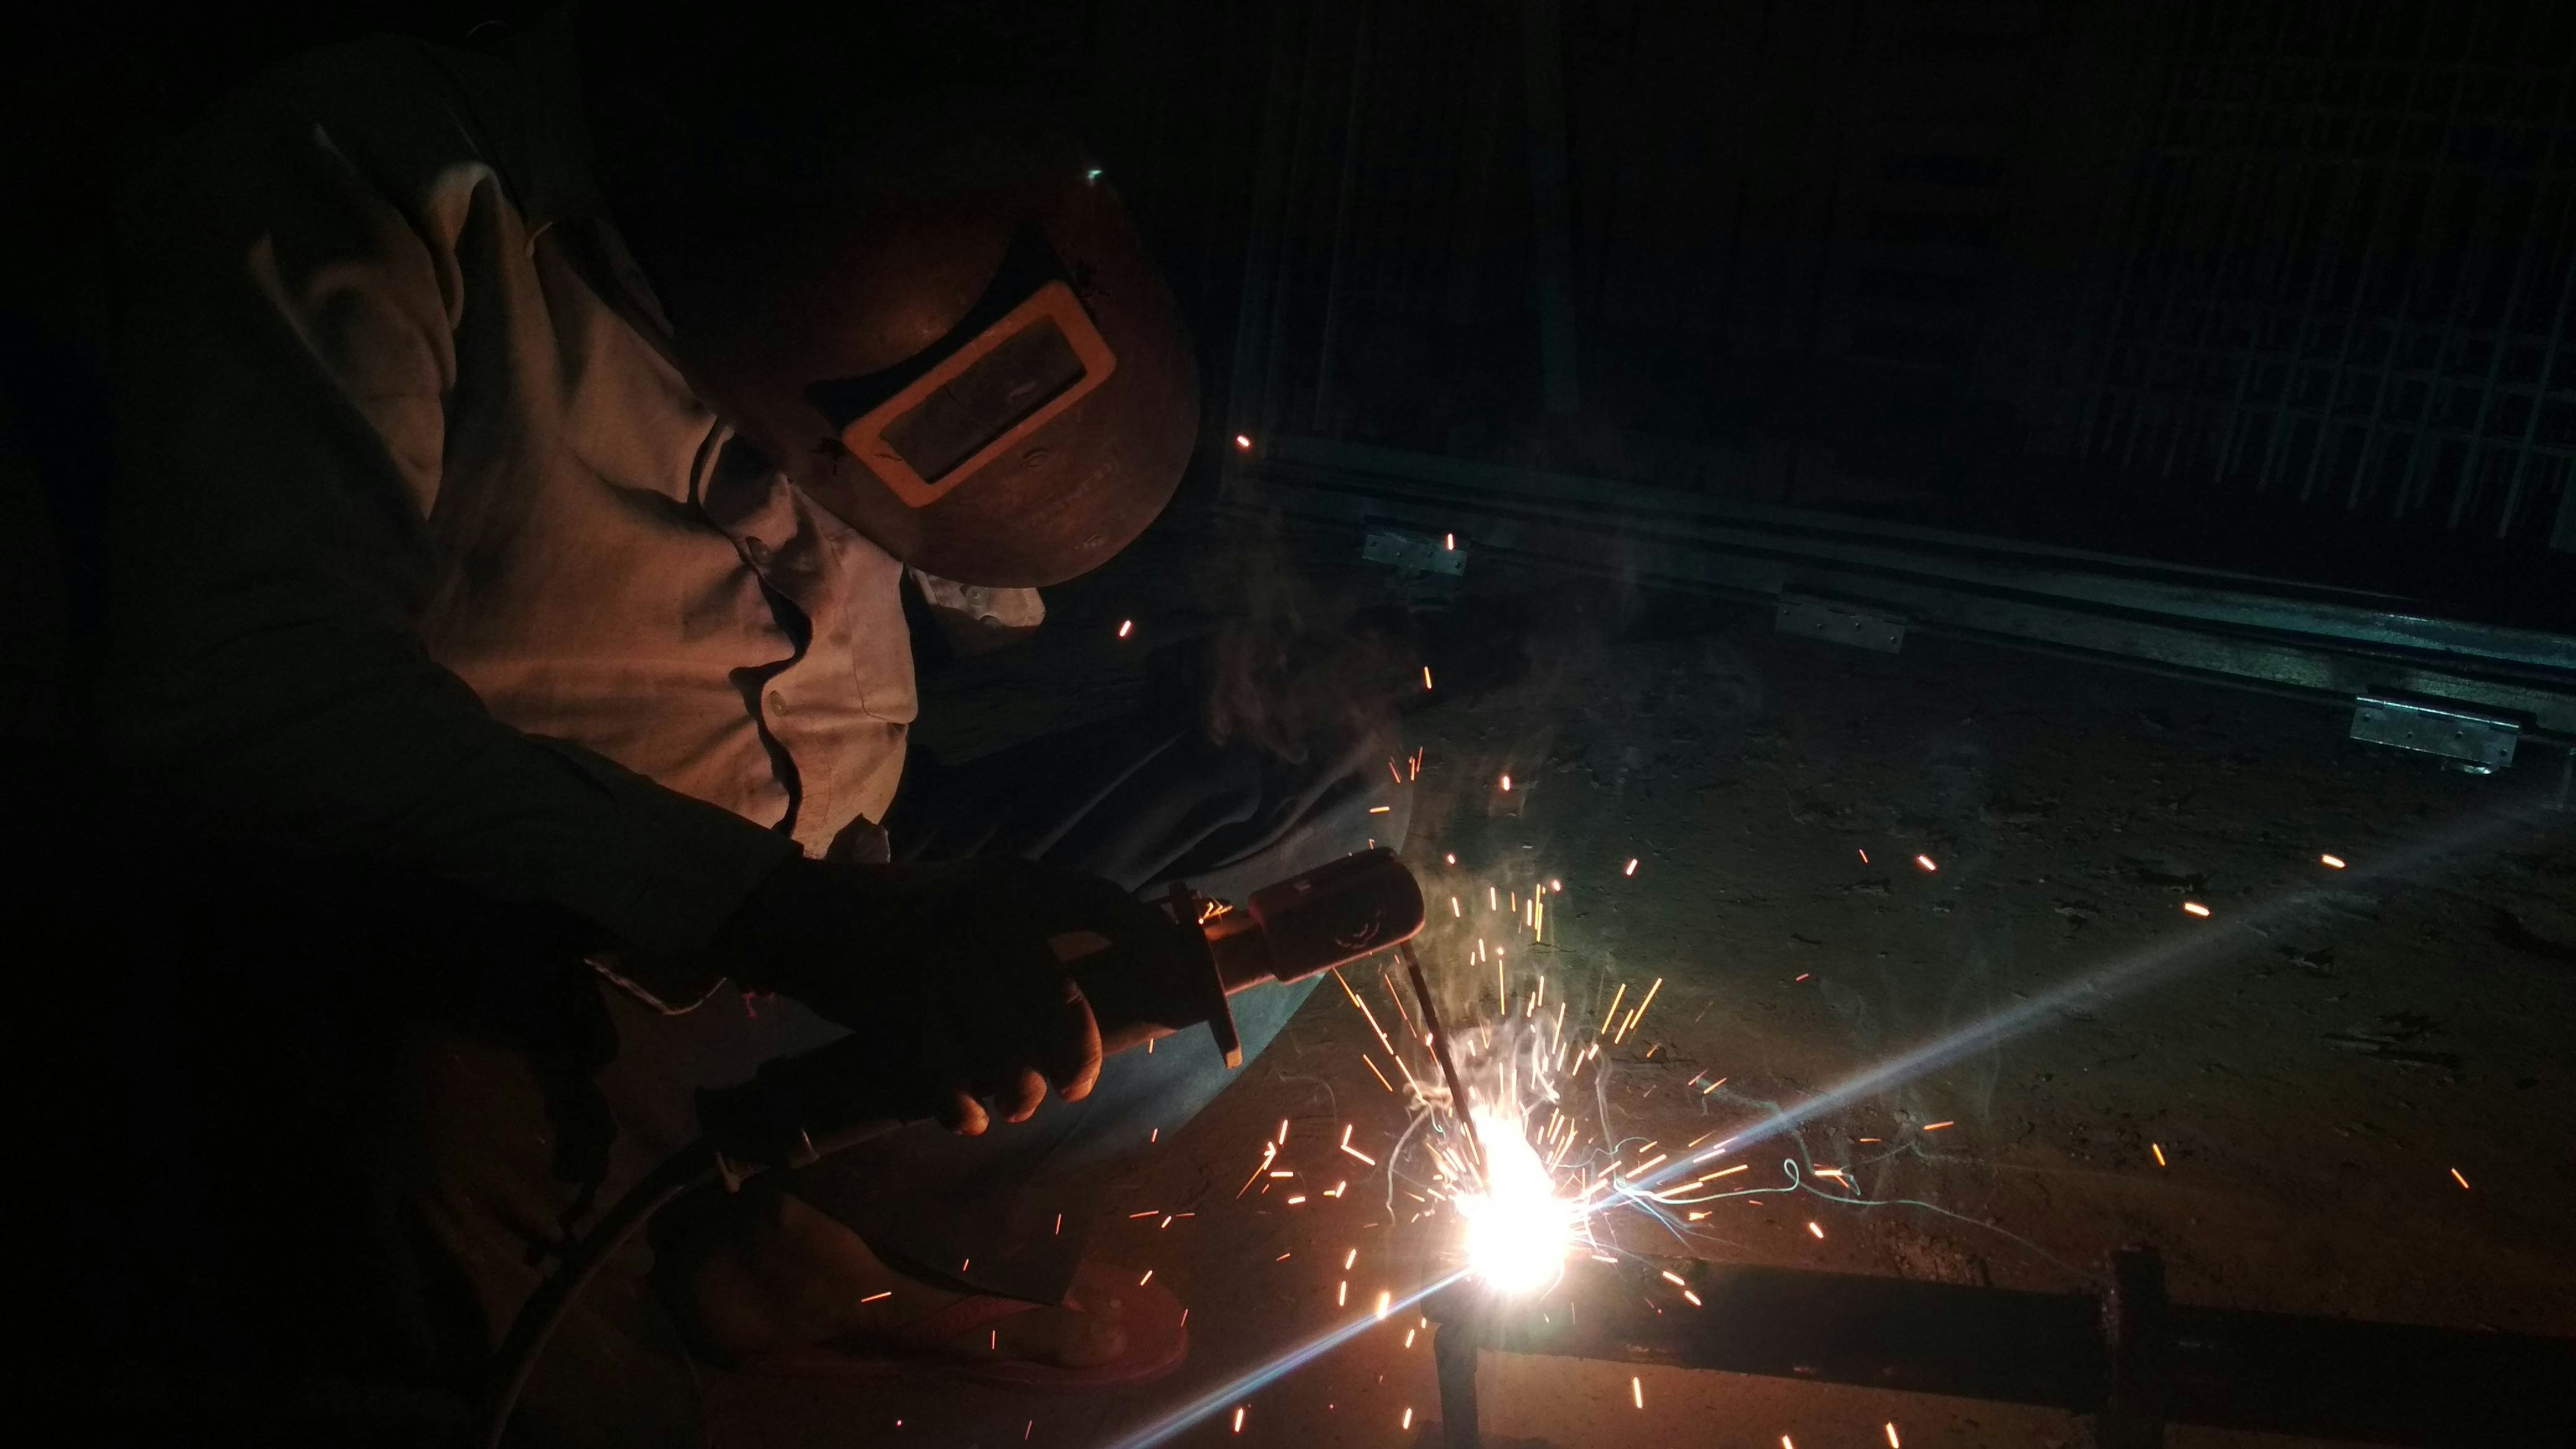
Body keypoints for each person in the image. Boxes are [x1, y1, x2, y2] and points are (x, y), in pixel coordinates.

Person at [85, 5, 1409, 1443]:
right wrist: (775, 916)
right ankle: (699, 1244)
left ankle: (822, 1221)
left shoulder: (927, 177)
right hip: (562, 951)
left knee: (1312, 789)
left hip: (860, 883)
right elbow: (248, 688)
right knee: (410, 1119)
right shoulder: (372, 176)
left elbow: (1000, 565)